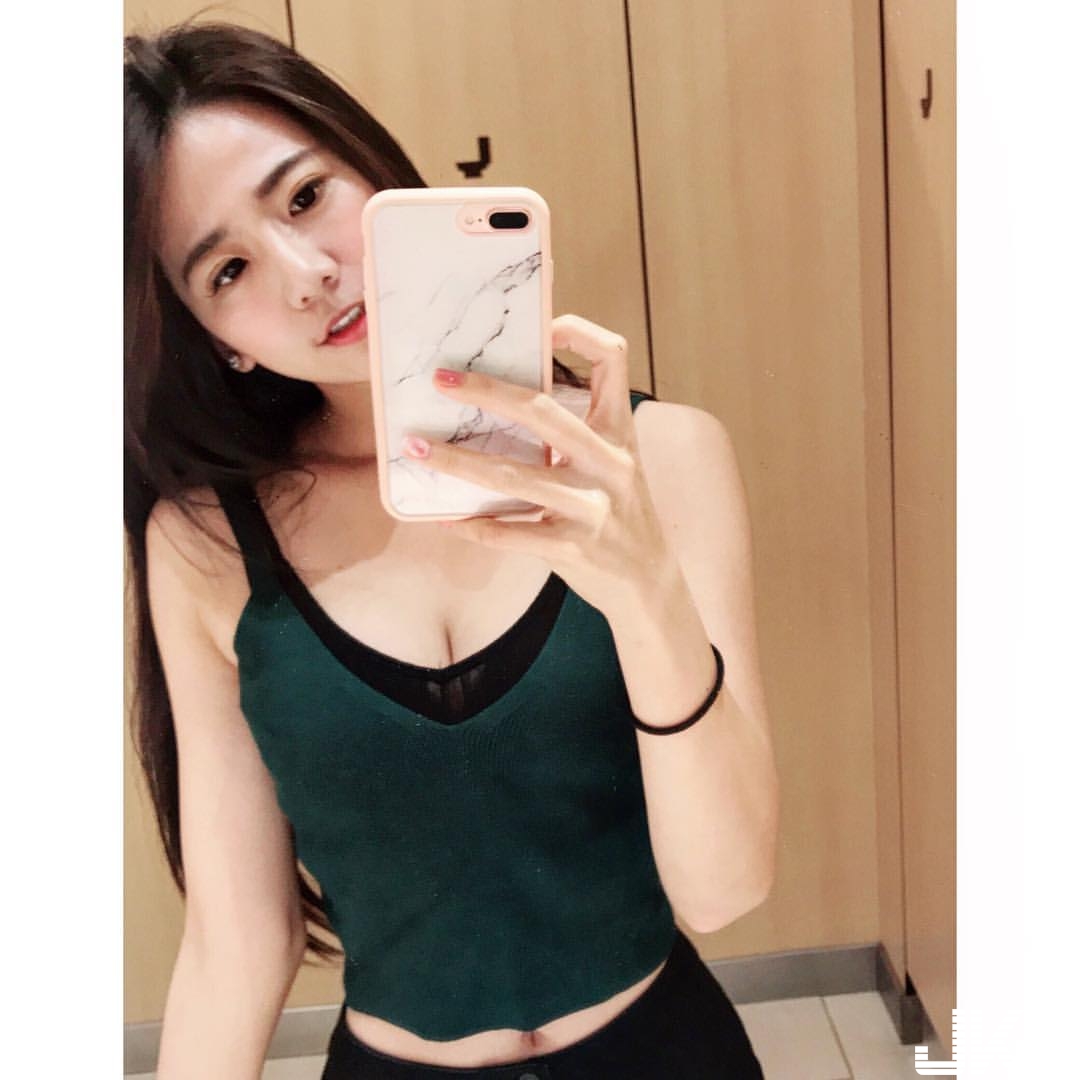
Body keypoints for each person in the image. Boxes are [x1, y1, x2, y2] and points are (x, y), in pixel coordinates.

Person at [124, 20, 779, 1080]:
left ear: (376, 173)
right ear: (216, 338)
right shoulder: (205, 544)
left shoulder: (661, 456)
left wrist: (644, 589)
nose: (305, 273)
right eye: (229, 268)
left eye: (306, 196)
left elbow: (725, 888)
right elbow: (237, 945)